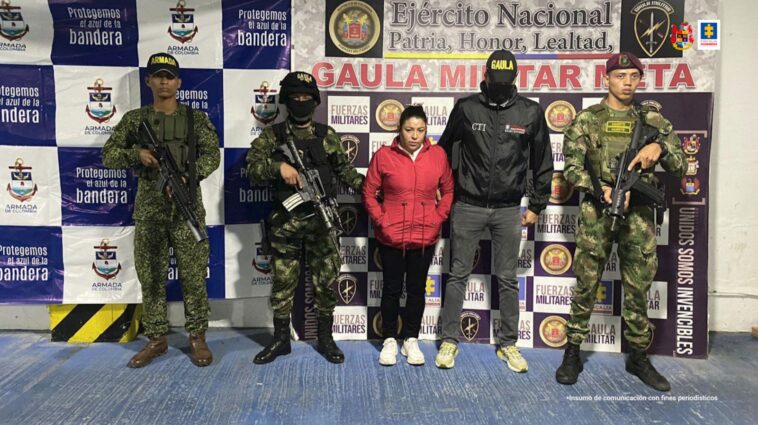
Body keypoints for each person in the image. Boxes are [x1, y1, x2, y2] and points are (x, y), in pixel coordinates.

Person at [555, 52, 685, 391]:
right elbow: (571, 169)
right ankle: (573, 351)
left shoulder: (654, 122)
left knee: (638, 290)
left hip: (639, 219)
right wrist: (603, 192)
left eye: (633, 76)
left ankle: (638, 356)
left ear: (640, 80)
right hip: (598, 215)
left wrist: (659, 148)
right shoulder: (587, 120)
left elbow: (681, 165)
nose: (627, 82)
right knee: (586, 284)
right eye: (619, 75)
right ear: (606, 79)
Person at [435, 50, 554, 371]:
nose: (500, 86)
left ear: (515, 78)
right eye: (495, 80)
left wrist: (538, 205)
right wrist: (446, 193)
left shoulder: (530, 112)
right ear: (485, 75)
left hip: (507, 209)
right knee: (458, 274)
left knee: (507, 279)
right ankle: (448, 340)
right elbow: (442, 152)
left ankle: (508, 344)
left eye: (507, 81)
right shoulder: (466, 107)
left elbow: (543, 162)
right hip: (467, 205)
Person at [102, 53, 220, 368]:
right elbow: (109, 155)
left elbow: (212, 154)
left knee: (194, 276)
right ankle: (156, 338)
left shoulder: (195, 119)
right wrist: (136, 154)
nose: (164, 82)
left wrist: (188, 175)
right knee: (151, 276)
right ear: (149, 81)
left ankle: (197, 336)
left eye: (170, 76)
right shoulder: (135, 119)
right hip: (151, 211)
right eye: (158, 76)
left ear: (179, 82)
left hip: (187, 209)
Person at [246, 71, 364, 364]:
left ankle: (325, 338)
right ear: (286, 101)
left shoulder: (326, 136)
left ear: (315, 101)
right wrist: (278, 169)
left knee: (326, 281)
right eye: (295, 98)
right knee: (284, 282)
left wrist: (375, 189)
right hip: (286, 225)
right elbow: (251, 171)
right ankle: (281, 339)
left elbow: (346, 173)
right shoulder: (273, 137)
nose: (301, 102)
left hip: (322, 224)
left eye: (306, 98)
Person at [362, 105, 454, 366]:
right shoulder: (383, 156)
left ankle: (411, 339)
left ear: (426, 131)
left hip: (425, 236)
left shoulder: (437, 155)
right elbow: (368, 193)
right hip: (391, 236)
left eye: (420, 130)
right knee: (391, 289)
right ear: (399, 130)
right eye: (409, 129)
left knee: (416, 290)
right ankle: (390, 339)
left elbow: (447, 191)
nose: (414, 135)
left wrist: (438, 218)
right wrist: (382, 220)